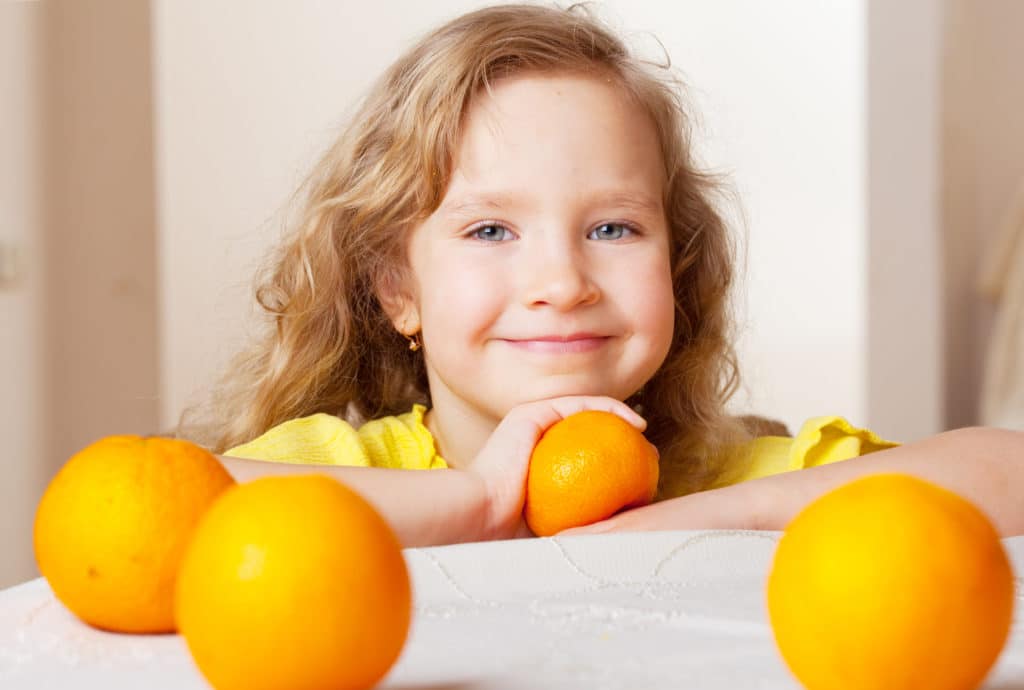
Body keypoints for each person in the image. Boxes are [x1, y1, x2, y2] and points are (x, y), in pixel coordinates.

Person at [185, 3, 1024, 545]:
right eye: (490, 229)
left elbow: (1006, 473)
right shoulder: (351, 475)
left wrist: (704, 521)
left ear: (678, 266)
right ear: (396, 288)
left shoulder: (729, 476)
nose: (563, 281)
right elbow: (167, 514)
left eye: (613, 227)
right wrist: (477, 505)